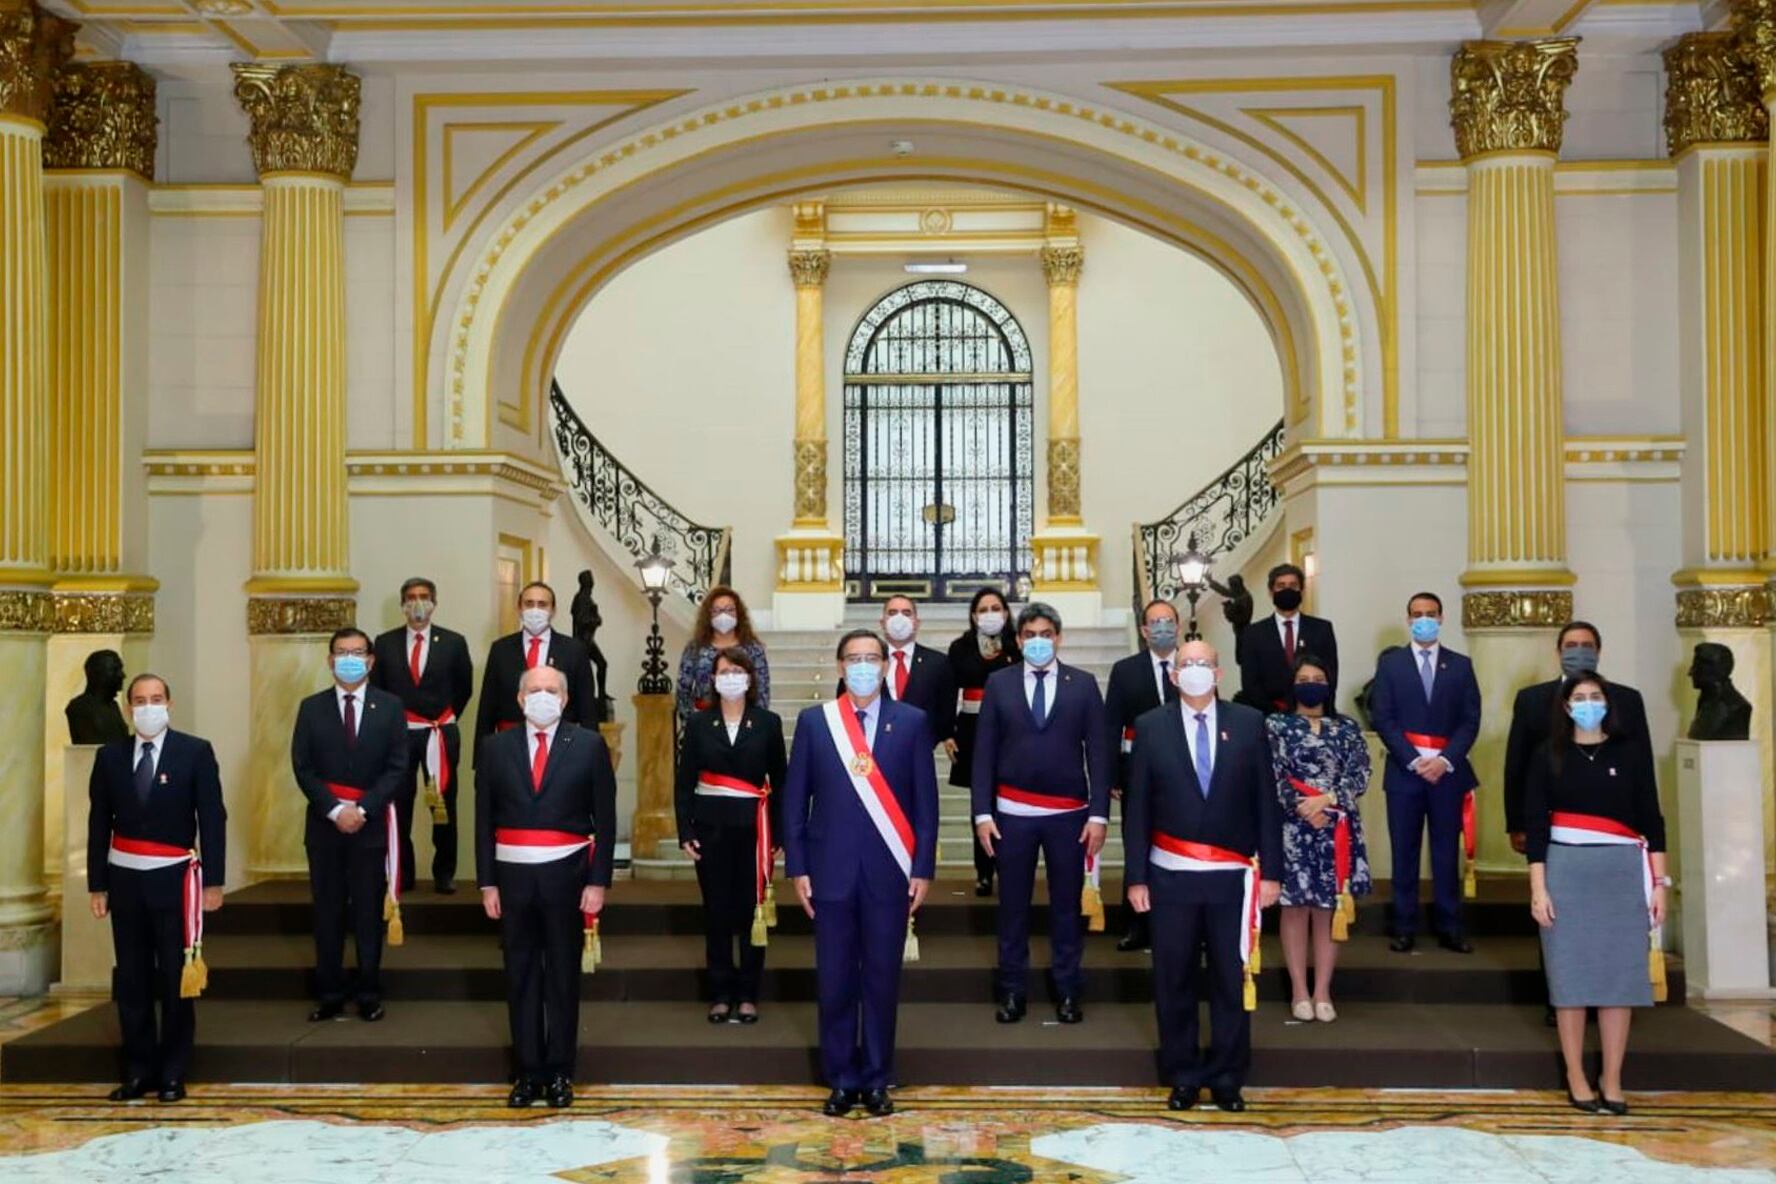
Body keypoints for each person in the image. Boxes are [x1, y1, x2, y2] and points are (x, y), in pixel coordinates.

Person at [781, 629, 939, 1118]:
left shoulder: (911, 722)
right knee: (834, 981)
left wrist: (923, 867)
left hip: (890, 873)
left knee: (882, 981)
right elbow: (794, 800)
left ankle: (875, 1078)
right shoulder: (815, 722)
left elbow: (926, 804)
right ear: (840, 667)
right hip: (829, 872)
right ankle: (841, 1079)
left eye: (872, 658)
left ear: (886, 666)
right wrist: (797, 866)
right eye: (854, 658)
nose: (864, 666)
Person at [1123, 639, 1282, 1113]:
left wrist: (1272, 873)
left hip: (1232, 879)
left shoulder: (1249, 723)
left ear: (1219, 672)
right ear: (1174, 675)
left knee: (1231, 980)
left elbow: (1266, 801)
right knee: (1174, 979)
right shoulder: (1151, 726)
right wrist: (1136, 877)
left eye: (1204, 663)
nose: (1195, 670)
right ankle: (1184, 1075)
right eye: (1186, 663)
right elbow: (1137, 807)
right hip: (1170, 877)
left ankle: (1228, 1077)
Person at [1524, 672, 1668, 1116]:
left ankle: (1613, 1077)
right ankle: (1576, 1075)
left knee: (1617, 981)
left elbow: (1652, 819)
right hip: (1566, 872)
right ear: (1566, 707)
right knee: (1571, 980)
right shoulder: (1547, 754)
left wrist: (1660, 884)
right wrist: (1538, 889)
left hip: (1621, 874)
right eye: (1580, 697)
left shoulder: (1630, 752)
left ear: (1607, 703)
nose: (1588, 704)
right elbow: (1536, 828)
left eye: (1595, 696)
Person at [477, 664, 618, 1109]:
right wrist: (486, 883)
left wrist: (598, 881)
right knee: (519, 975)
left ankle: (558, 1071)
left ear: (565, 698)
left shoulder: (589, 745)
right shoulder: (495, 748)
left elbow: (606, 818)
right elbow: (483, 820)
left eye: (551, 689)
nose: (542, 696)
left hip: (568, 877)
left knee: (561, 975)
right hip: (512, 878)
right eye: (534, 689)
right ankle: (527, 1072)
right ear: (520, 699)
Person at [87, 674, 226, 1104]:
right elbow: (98, 822)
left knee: (174, 976)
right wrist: (97, 884)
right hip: (125, 879)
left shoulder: (195, 752)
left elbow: (212, 818)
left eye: (156, 699)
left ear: (170, 703)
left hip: (174, 880)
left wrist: (215, 882)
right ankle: (138, 1070)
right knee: (132, 979)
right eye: (140, 700)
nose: (149, 707)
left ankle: (172, 1072)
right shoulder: (110, 757)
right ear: (129, 708)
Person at [972, 602, 1111, 1026]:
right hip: (1012, 816)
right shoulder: (999, 684)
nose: (1038, 641)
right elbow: (984, 754)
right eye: (1030, 635)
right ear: (1018, 640)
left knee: (1066, 907)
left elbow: (1099, 754)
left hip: (1069, 818)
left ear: (1059, 638)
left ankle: (1067, 989)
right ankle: (1013, 991)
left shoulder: (1083, 685)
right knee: (1012, 907)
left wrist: (1099, 815)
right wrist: (982, 813)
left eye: (1045, 634)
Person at [291, 627, 410, 1023]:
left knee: (367, 913)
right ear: (330, 661)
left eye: (357, 652)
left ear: (371, 661)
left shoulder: (390, 707)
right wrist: (333, 810)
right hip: (324, 826)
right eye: (342, 652)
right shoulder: (311, 708)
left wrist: (363, 809)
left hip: (369, 826)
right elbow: (302, 767)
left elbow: (398, 766)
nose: (349, 659)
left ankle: (369, 993)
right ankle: (329, 994)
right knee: (327, 913)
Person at [675, 647, 787, 1025]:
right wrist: (685, 829)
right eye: (724, 671)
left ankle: (749, 993)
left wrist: (780, 832)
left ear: (750, 678)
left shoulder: (767, 722)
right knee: (717, 912)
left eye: (738, 671)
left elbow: (781, 781)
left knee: (752, 910)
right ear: (713, 679)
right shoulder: (698, 723)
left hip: (756, 830)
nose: (731, 678)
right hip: (711, 829)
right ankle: (721, 993)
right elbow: (684, 782)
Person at [1369, 592, 1482, 954]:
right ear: (1408, 619)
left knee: (1445, 853)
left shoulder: (1460, 666)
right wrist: (1414, 760)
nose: (1424, 620)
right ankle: (1404, 926)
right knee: (1404, 852)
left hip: (1447, 775)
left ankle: (1450, 926)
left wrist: (1445, 760)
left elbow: (1470, 720)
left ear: (1441, 618)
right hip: (1405, 774)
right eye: (1417, 614)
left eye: (1430, 614)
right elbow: (1382, 717)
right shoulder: (1391, 665)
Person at [1266, 653, 1371, 1022]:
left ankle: (1323, 990)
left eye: (1318, 679)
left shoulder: (1347, 728)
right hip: (1292, 827)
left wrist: (1327, 800)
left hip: (1336, 826)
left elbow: (1360, 773)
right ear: (1292, 684)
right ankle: (1299, 989)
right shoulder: (1275, 725)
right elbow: (1269, 772)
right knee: (1294, 909)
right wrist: (1302, 806)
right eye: (1304, 679)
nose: (1311, 685)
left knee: (1329, 909)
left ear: (1329, 685)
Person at [1504, 620, 1654, 857]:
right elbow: (1517, 764)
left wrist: (1647, 825)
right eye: (1571, 646)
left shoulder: (1627, 699)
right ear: (1558, 652)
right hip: (1555, 823)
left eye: (1587, 646)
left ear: (1598, 652)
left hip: (1616, 823)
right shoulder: (1531, 699)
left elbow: (1644, 766)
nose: (1579, 652)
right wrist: (1516, 823)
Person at [371, 577, 476, 895]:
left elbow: (464, 687)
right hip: (399, 737)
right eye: (411, 597)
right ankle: (403, 873)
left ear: (434, 602)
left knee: (442, 806)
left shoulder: (454, 642)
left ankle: (444, 873)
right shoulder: (385, 643)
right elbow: (377, 689)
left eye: (424, 596)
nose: (418, 602)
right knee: (399, 804)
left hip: (438, 735)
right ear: (403, 605)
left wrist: (441, 719)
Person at [1103, 598, 1182, 952]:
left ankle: (1180, 923)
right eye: (1155, 622)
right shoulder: (1125, 670)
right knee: (1138, 844)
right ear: (1144, 630)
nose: (1162, 627)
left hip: (1185, 774)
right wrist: (1112, 775)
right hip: (1136, 772)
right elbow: (1111, 726)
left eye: (1168, 621)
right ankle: (1137, 925)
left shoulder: (1193, 664)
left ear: (1178, 626)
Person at [947, 588, 1021, 896]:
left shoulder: (1018, 644)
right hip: (972, 729)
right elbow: (949, 689)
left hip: (1011, 730)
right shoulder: (960, 647)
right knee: (981, 801)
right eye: (983, 609)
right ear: (974, 615)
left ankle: (1010, 867)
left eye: (996, 608)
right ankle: (984, 871)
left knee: (1009, 801)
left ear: (1005, 612)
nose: (990, 614)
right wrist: (947, 732)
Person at [475, 581, 600, 753]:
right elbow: (487, 709)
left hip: (562, 746)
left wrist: (592, 754)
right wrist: (481, 757)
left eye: (542, 604)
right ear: (519, 608)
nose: (535, 610)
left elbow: (587, 709)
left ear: (553, 610)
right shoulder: (500, 650)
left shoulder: (574, 650)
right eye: (529, 603)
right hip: (511, 746)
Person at [1237, 563, 1338, 713]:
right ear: (1271, 592)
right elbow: (1250, 683)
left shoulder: (1322, 629)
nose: (1287, 590)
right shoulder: (1253, 633)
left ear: (1302, 591)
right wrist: (1276, 715)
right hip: (1268, 715)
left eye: (1293, 585)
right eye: (1281, 586)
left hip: (1314, 713)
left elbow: (1331, 676)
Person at [677, 585, 771, 723]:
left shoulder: (753, 649)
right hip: (704, 720)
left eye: (729, 610)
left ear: (738, 613)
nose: (723, 615)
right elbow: (683, 690)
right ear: (708, 615)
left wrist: (755, 723)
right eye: (717, 610)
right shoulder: (695, 648)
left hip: (745, 719)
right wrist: (693, 723)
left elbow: (762, 691)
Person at [67, 648, 131, 745]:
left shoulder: (113, 706)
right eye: (115, 670)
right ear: (97, 674)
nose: (122, 675)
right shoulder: (80, 708)